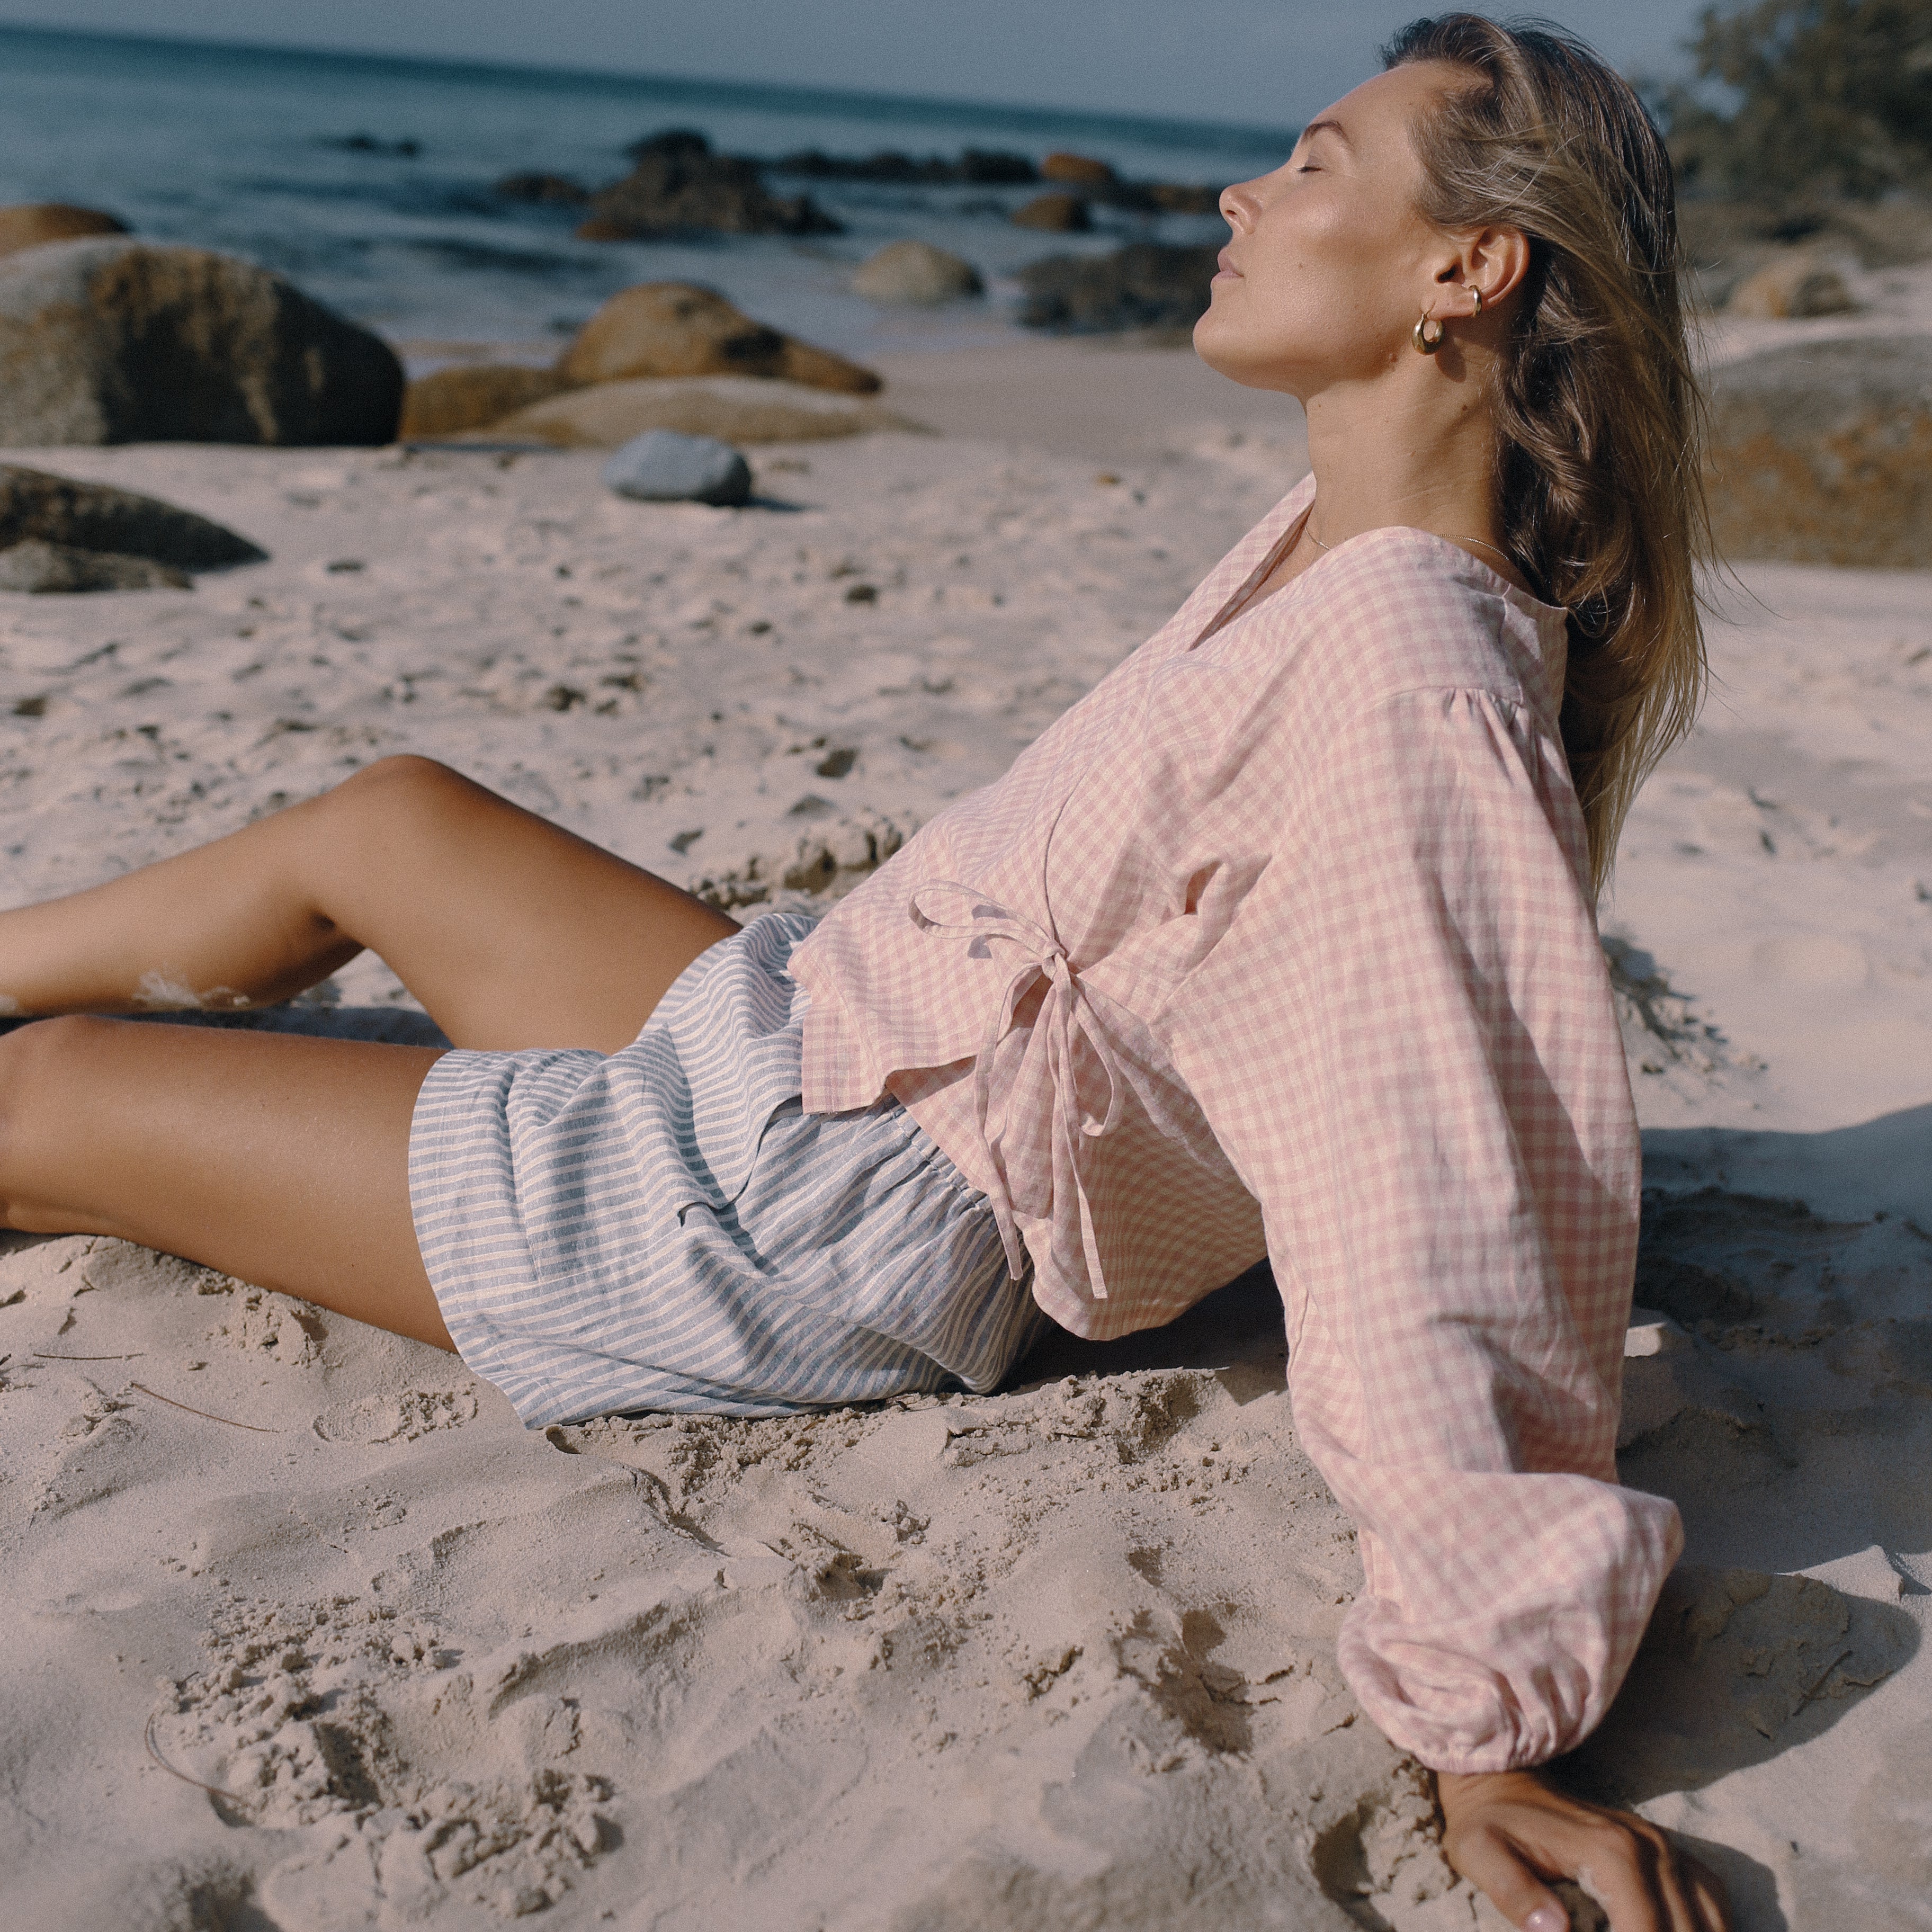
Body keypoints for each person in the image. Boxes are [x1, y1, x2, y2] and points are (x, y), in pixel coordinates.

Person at [0, 16, 1726, 1929]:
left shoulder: (1411, 678)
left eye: (1314, 164)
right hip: (817, 1025)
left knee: (47, 1094)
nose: (1242, 192)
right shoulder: (1335, 553)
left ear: (1467, 271)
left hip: (810, 1214)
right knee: (387, 822)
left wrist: (1490, 1725)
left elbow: (1446, 1199)